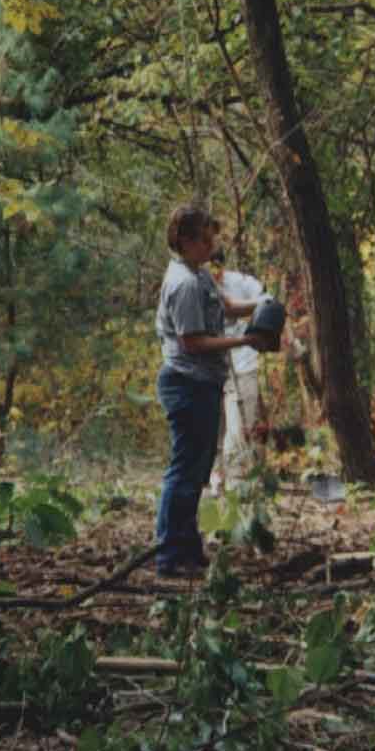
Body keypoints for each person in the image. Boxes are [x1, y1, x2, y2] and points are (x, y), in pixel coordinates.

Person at [153, 204, 267, 578]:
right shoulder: (183, 284)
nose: (210, 244)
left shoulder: (199, 276)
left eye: (211, 237)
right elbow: (194, 341)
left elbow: (227, 307)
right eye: (204, 238)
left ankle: (188, 546)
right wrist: (246, 341)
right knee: (185, 469)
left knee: (199, 469)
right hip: (187, 383)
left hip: (204, 384)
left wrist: (263, 307)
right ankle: (170, 553)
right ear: (184, 240)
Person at [207, 241, 265, 496]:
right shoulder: (194, 287)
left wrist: (248, 315)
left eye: (216, 266)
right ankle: (216, 480)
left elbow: (267, 300)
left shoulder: (240, 282)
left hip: (242, 365)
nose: (213, 273)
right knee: (213, 431)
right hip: (209, 369)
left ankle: (239, 485)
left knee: (240, 428)